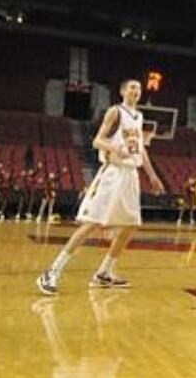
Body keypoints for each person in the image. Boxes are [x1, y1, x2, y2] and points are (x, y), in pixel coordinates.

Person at [36, 80, 164, 294]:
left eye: (139, 89)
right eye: (132, 87)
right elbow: (97, 141)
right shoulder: (115, 112)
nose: (136, 91)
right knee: (91, 224)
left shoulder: (139, 117)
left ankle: (104, 272)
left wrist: (152, 175)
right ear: (122, 91)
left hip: (131, 175)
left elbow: (141, 150)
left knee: (130, 225)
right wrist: (115, 148)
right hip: (113, 173)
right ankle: (52, 272)